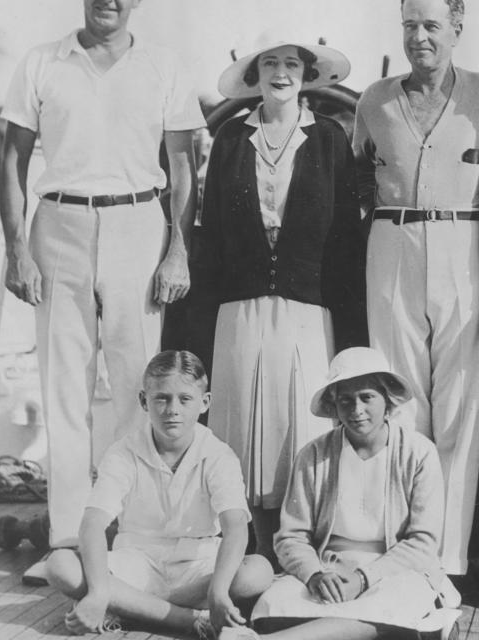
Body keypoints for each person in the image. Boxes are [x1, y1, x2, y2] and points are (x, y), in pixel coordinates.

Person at [0, 0, 204, 570]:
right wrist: (16, 250)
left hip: (139, 224)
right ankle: (66, 541)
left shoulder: (164, 66)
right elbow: (10, 159)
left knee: (141, 385)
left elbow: (184, 167)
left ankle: (130, 535)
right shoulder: (42, 62)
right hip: (56, 224)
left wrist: (177, 251)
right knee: (64, 388)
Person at [353, 0, 479, 582]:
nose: (419, 37)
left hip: (464, 243)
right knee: (398, 400)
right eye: (409, 25)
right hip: (391, 242)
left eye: (432, 26)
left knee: (462, 406)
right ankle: (401, 547)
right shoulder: (374, 99)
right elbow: (358, 175)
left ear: (456, 29)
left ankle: (448, 557)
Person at [199, 35, 366, 565]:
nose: (280, 73)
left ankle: (300, 545)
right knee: (242, 419)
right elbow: (214, 223)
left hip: (308, 306)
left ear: (306, 74)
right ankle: (240, 547)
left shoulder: (330, 139)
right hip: (241, 304)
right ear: (255, 75)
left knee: (302, 420)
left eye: (291, 64)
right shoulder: (230, 136)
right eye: (269, 63)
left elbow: (345, 231)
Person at [44, 350, 273, 639]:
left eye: (184, 399)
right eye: (161, 398)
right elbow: (92, 524)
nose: (172, 409)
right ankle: (187, 621)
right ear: (143, 401)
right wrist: (100, 591)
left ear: (205, 403)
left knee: (258, 570)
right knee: (60, 565)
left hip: (197, 568)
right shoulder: (123, 452)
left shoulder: (218, 455)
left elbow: (236, 527)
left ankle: (132, 608)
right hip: (137, 563)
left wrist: (217, 591)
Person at [251, 347, 459, 640]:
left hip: (394, 570)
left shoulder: (419, 452)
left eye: (367, 397)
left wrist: (363, 579)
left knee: (394, 602)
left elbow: (423, 542)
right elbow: (291, 536)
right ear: (334, 407)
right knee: (272, 606)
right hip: (329, 567)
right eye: (345, 401)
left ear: (387, 400)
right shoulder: (313, 454)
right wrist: (315, 575)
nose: (356, 410)